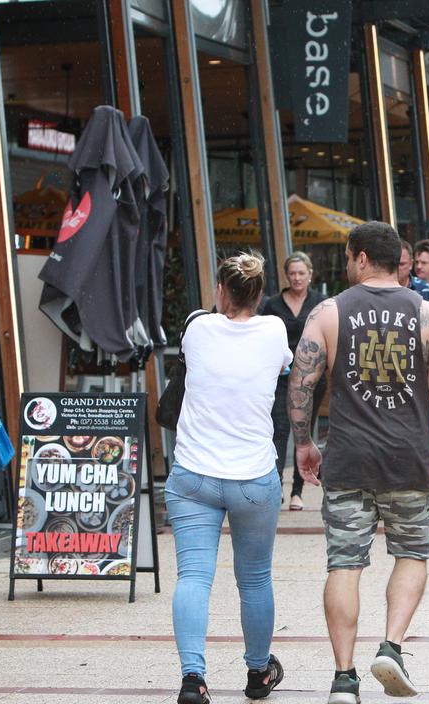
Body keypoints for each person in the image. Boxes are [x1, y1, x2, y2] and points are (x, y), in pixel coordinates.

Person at [287, 221, 429, 704]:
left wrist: (303, 443)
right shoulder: (427, 314)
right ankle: (391, 646)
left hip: (347, 460)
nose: (348, 264)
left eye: (349, 256)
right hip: (409, 459)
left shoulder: (329, 311)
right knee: (411, 554)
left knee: (344, 564)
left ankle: (344, 678)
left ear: (362, 258)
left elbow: (301, 383)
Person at [167, 253, 291, 703]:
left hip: (194, 475)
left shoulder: (197, 328)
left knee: (194, 578)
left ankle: (192, 678)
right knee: (255, 579)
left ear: (221, 291)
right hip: (254, 477)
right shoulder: (275, 330)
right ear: (260, 294)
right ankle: (258, 673)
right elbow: (281, 370)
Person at [259, 251, 328, 510]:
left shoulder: (322, 303)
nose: (297, 278)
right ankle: (275, 486)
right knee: (278, 430)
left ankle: (297, 492)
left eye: (301, 273)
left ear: (310, 274)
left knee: (305, 431)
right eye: (292, 273)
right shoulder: (272, 304)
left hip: (312, 377)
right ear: (286, 276)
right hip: (280, 376)